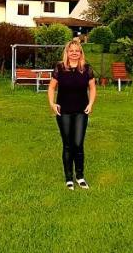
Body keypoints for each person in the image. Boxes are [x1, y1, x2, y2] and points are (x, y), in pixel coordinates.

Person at [47, 37, 96, 191]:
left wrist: (91, 103)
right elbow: (51, 88)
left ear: (80, 53)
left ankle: (80, 176)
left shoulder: (86, 69)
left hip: (81, 111)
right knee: (68, 145)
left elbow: (93, 88)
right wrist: (52, 104)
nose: (74, 53)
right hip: (64, 112)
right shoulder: (60, 68)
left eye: (77, 51)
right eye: (71, 51)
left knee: (78, 144)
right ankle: (69, 178)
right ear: (67, 53)